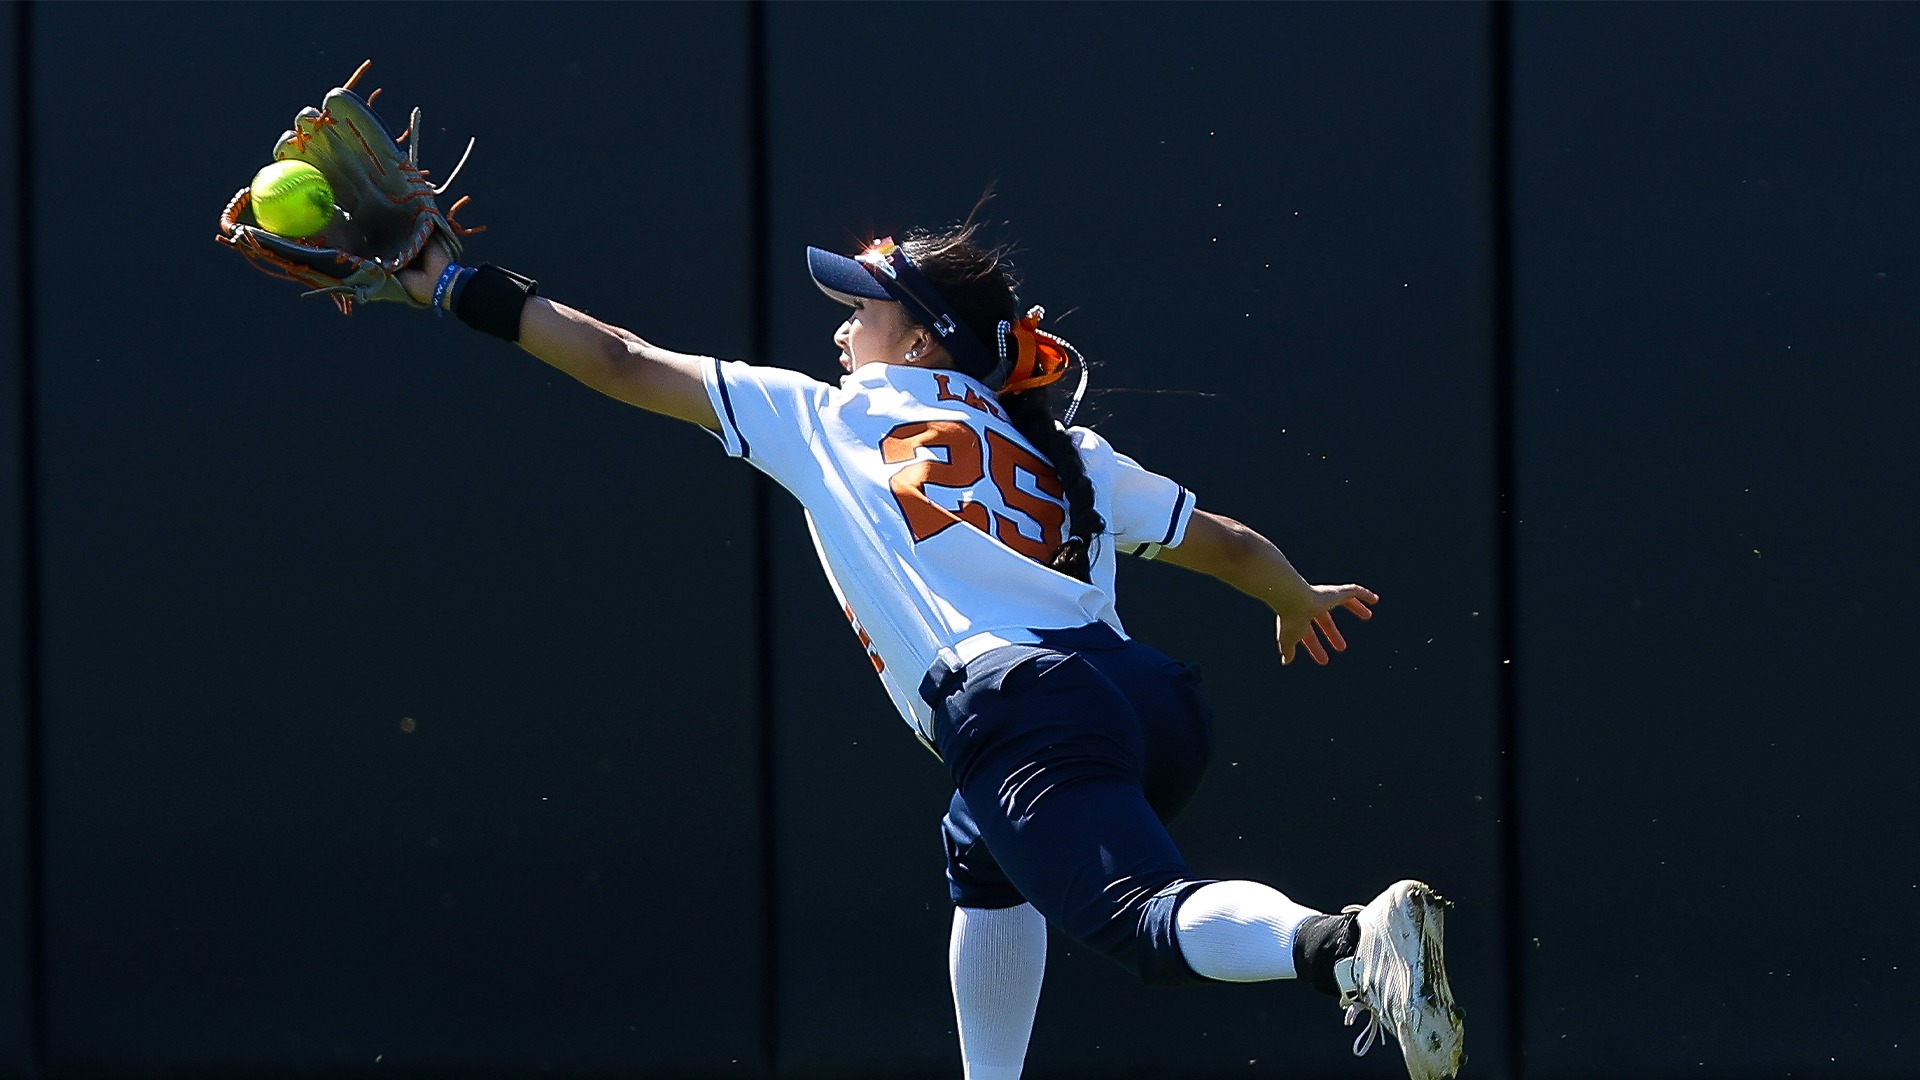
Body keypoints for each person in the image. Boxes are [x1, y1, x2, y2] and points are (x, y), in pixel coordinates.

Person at [394, 221, 1465, 1080]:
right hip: (1146, 704)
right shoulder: (1066, 450)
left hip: (1023, 709)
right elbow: (1227, 544)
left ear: (919, 342)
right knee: (981, 850)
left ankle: (1342, 946)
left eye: (860, 307)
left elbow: (618, 360)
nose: (841, 328)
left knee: (1141, 923)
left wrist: (454, 287)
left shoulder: (827, 416)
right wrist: (1298, 597)